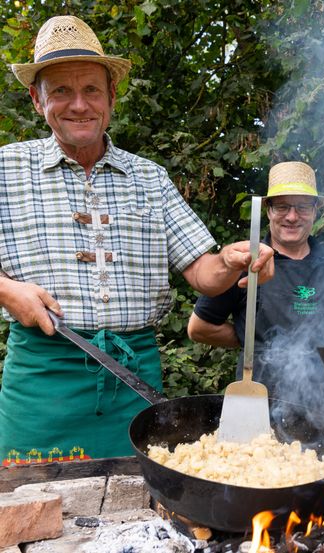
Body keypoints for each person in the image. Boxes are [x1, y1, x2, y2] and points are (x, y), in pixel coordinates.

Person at [0, 15, 274, 465]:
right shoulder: (7, 169)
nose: (79, 105)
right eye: (61, 91)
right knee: (31, 516)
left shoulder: (149, 177)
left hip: (132, 383)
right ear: (37, 99)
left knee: (138, 517)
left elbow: (204, 274)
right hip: (40, 388)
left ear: (111, 97)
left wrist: (231, 260)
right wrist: (7, 290)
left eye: (91, 89)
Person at [188, 161, 324, 414]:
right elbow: (198, 328)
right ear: (268, 211)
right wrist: (255, 341)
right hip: (258, 405)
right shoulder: (244, 262)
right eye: (282, 206)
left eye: (302, 207)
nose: (292, 216)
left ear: (315, 212)